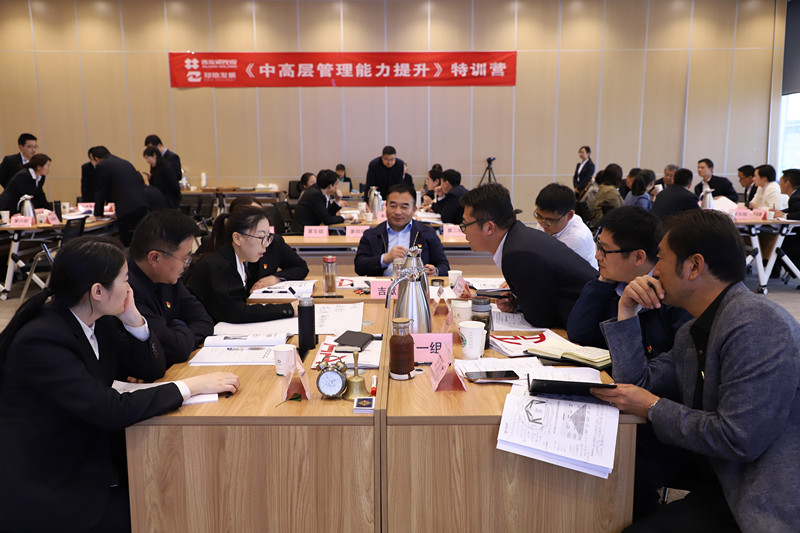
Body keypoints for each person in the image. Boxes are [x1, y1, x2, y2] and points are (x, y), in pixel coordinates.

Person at [0, 236, 238, 533]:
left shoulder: (97, 318)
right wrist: (191, 387)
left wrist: (133, 319)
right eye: (125, 280)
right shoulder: (42, 339)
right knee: (162, 508)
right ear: (97, 291)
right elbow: (110, 409)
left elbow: (150, 369)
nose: (130, 288)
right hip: (50, 485)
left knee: (176, 492)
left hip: (92, 458)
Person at [591, 210, 800, 532]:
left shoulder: (757, 325)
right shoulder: (695, 332)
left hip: (762, 498)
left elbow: (738, 439)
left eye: (661, 258)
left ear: (694, 266)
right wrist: (627, 310)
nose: (655, 271)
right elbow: (636, 383)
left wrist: (653, 407)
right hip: (721, 482)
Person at [459, 183, 597, 328]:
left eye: (465, 224)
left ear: (489, 227)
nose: (463, 230)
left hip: (590, 324)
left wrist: (521, 304)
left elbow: (540, 319)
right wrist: (518, 302)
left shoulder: (518, 253)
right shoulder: (518, 239)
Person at [567, 206, 691, 351]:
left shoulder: (673, 297)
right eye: (599, 246)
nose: (597, 256)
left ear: (638, 257)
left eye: (605, 250)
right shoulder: (614, 284)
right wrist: (603, 283)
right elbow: (578, 334)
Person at [128, 210, 214, 366]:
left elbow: (204, 320)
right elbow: (176, 349)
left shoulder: (166, 275)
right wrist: (180, 326)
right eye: (184, 258)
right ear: (155, 258)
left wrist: (178, 333)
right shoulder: (126, 289)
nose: (187, 264)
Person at [186, 204, 297, 323]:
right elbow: (238, 312)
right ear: (237, 238)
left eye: (268, 237)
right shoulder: (220, 266)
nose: (266, 245)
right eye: (261, 237)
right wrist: (289, 309)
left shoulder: (238, 261)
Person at [355, 184, 450, 277]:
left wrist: (435, 271)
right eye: (393, 206)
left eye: (404, 207)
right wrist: (385, 258)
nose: (398, 212)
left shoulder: (426, 233)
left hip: (416, 286)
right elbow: (359, 267)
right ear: (386, 207)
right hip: (382, 285)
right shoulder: (372, 234)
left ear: (414, 210)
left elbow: (444, 266)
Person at [228, 196, 309, 290]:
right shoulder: (223, 253)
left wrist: (276, 278)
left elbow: (301, 267)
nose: (259, 220)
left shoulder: (272, 241)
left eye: (261, 215)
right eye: (253, 216)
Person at [90, 145, 149, 246]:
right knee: (141, 241)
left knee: (129, 243)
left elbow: (100, 191)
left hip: (128, 210)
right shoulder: (123, 162)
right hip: (142, 204)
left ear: (96, 159)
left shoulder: (103, 165)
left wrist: (98, 214)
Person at [533, 183, 597, 269]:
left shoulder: (576, 238)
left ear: (569, 215)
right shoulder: (545, 221)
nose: (542, 224)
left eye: (550, 221)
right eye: (539, 216)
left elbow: (554, 270)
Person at [290, 169, 356, 232]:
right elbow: (327, 220)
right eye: (336, 184)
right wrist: (344, 217)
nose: (337, 187)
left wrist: (337, 200)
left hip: (312, 229)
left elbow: (327, 213)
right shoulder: (315, 194)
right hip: (303, 232)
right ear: (330, 186)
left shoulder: (320, 192)